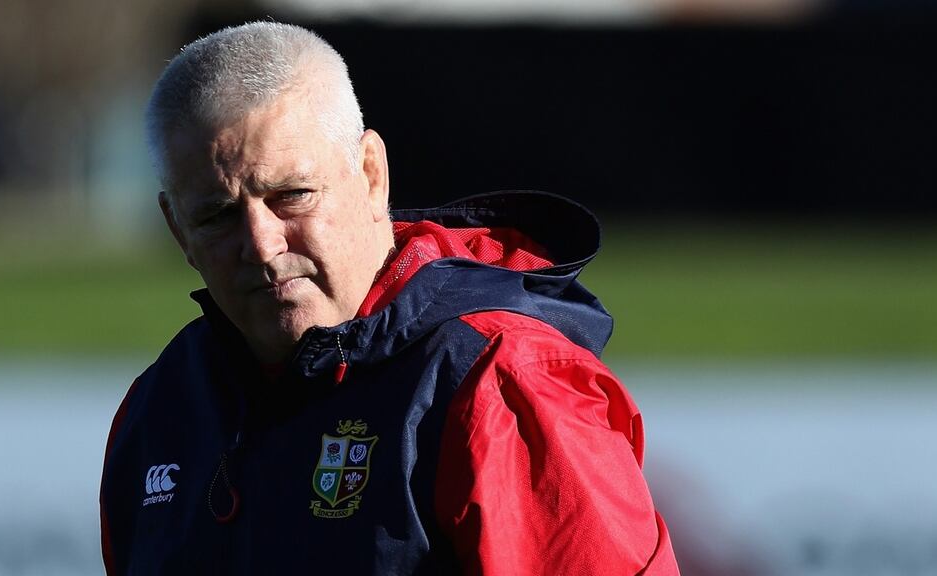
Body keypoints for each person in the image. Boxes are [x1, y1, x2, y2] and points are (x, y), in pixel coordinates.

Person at [99, 21, 679, 575]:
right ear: (177, 231)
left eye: (293, 195)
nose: (262, 244)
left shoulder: (498, 382)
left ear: (371, 174)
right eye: (217, 216)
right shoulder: (161, 408)